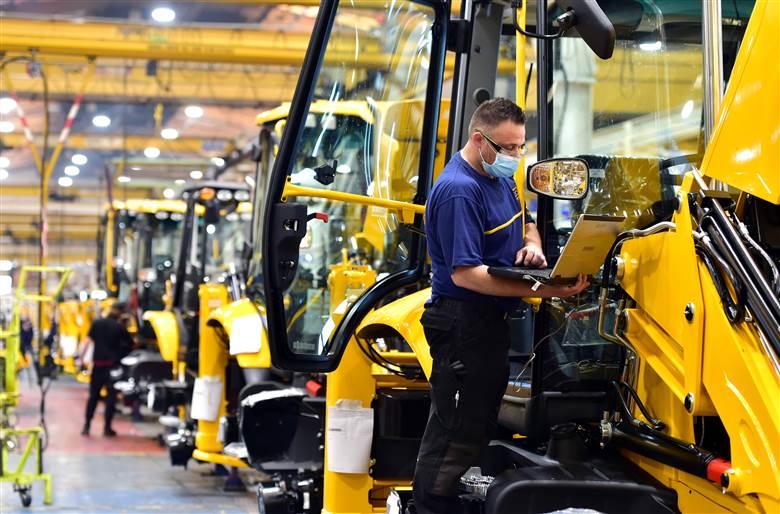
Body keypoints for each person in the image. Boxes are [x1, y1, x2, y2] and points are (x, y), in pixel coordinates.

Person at [412, 98, 590, 514]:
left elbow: (526, 221)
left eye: (520, 147)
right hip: (461, 323)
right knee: (455, 430)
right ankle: (431, 507)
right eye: (508, 148)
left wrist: (532, 245)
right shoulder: (459, 191)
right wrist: (544, 292)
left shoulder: (501, 177)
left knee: (478, 420)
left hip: (489, 321)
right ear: (479, 139)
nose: (515, 156)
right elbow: (467, 274)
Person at [81, 302, 134, 437]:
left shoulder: (97, 323)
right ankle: (107, 428)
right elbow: (130, 345)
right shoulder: (119, 327)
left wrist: (80, 359)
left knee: (93, 396)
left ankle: (87, 425)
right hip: (112, 367)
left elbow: (87, 342)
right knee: (111, 398)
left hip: (97, 365)